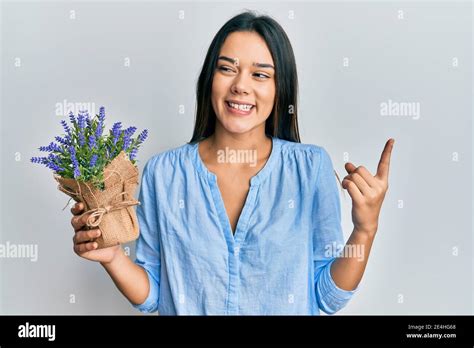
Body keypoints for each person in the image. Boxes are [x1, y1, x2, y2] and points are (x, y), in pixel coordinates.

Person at [70, 11, 394, 315]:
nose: (240, 85)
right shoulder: (164, 173)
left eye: (260, 74)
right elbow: (154, 293)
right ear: (210, 78)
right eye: (227, 68)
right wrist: (112, 256)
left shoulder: (310, 169)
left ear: (280, 88)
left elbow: (325, 296)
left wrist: (365, 229)